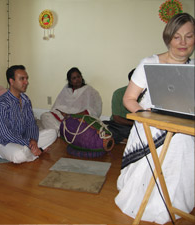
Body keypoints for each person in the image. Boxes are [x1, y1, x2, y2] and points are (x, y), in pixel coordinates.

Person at [115, 13, 195, 224]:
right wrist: (148, 118)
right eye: (177, 37)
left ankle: (176, 204)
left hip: (184, 131)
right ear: (168, 38)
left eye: (189, 36)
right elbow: (129, 99)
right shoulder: (150, 63)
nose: (183, 43)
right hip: (151, 126)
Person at [0, 65, 57, 164]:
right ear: (11, 81)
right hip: (3, 143)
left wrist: (32, 140)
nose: (26, 82)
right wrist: (29, 142)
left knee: (53, 133)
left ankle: (31, 150)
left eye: (26, 78)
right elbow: (5, 133)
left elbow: (31, 124)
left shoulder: (25, 100)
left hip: (24, 139)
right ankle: (37, 151)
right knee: (18, 155)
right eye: (22, 79)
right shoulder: (0, 103)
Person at [41, 67, 102, 134]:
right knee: (44, 116)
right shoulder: (66, 89)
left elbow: (93, 110)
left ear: (81, 77)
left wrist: (72, 116)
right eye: (74, 78)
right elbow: (58, 106)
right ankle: (62, 130)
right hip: (63, 118)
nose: (77, 79)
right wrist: (64, 114)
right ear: (70, 81)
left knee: (84, 126)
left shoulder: (89, 91)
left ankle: (61, 131)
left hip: (78, 119)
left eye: (78, 77)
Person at [103, 69, 136, 144]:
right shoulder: (119, 93)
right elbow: (116, 119)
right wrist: (134, 124)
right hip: (120, 125)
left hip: (137, 126)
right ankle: (125, 139)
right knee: (102, 127)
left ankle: (122, 139)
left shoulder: (148, 95)